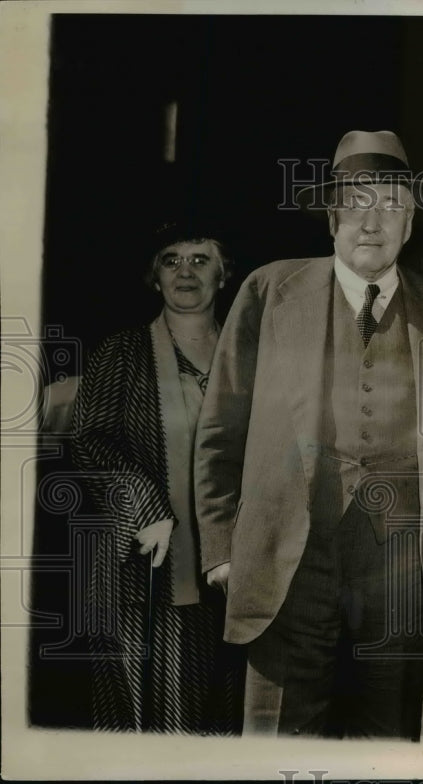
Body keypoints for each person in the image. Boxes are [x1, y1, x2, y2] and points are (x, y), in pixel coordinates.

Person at [193, 130, 423, 739]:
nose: (372, 223)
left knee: (387, 737)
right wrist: (220, 544)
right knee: (279, 738)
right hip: (288, 555)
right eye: (356, 204)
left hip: (400, 563)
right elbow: (222, 423)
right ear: (332, 219)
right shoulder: (270, 291)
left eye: (390, 205)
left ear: (410, 223)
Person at [71, 218, 241, 733]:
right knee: (156, 718)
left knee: (228, 717)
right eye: (171, 261)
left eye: (200, 260)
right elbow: (90, 440)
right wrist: (144, 506)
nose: (184, 271)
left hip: (236, 566)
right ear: (155, 276)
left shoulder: (249, 356)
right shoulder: (121, 352)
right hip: (150, 568)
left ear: (223, 275)